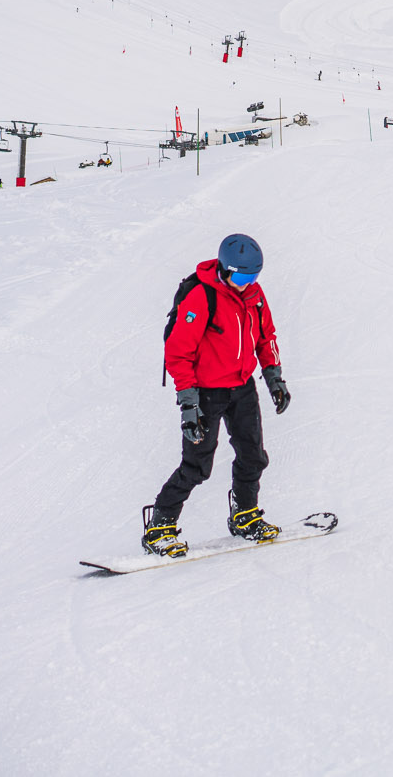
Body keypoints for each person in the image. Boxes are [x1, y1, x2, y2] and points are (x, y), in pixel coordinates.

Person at [141, 233, 289, 558]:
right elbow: (178, 352)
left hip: (242, 387)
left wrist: (274, 377)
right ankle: (160, 526)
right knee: (197, 466)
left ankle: (245, 515)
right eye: (242, 278)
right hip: (207, 393)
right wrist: (188, 404)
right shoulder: (202, 296)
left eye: (253, 277)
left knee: (253, 456)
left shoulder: (254, 295)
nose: (247, 285)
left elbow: (266, 337)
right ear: (225, 269)